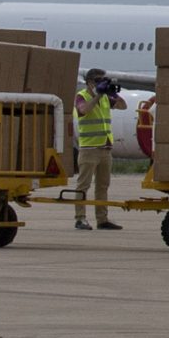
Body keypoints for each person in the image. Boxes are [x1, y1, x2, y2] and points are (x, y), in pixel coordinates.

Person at [70, 67, 127, 231]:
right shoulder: (82, 96)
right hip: (89, 148)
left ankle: (102, 219)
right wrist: (97, 95)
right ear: (89, 82)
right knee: (83, 185)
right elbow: (83, 110)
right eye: (97, 80)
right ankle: (80, 218)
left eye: (103, 80)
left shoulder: (105, 98)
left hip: (105, 147)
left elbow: (123, 105)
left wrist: (112, 93)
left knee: (103, 186)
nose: (100, 83)